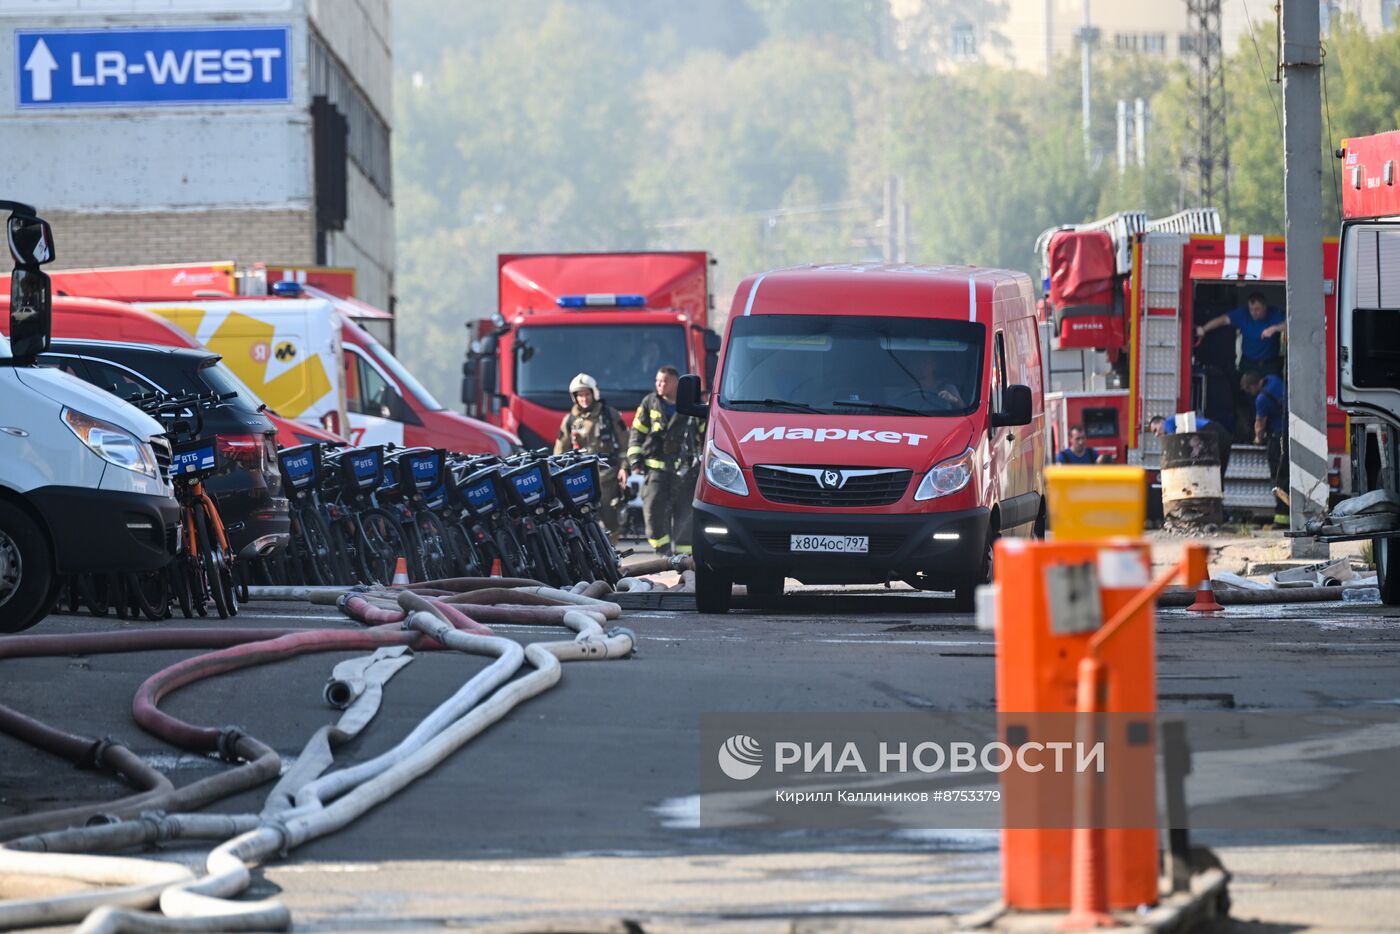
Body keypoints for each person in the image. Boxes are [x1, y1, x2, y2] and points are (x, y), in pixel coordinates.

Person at [627, 365, 705, 557]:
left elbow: (706, 433)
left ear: (675, 383)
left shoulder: (692, 403)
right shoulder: (650, 402)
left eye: (664, 381)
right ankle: (663, 553)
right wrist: (635, 460)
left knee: (685, 515)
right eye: (657, 381)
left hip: (686, 472)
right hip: (656, 471)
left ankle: (685, 557)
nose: (659, 385)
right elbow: (637, 432)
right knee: (653, 512)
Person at [554, 373, 629, 542]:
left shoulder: (610, 415)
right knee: (580, 516)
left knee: (609, 515)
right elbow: (559, 450)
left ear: (594, 393)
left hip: (606, 475)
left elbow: (626, 444)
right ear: (575, 397)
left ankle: (611, 549)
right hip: (579, 476)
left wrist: (625, 467)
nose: (584, 398)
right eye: (580, 395)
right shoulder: (570, 420)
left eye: (587, 394)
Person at [1195, 292, 1287, 376]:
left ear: (1265, 307)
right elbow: (1222, 320)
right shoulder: (1243, 314)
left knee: (1272, 392)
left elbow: (1290, 325)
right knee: (1246, 391)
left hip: (1270, 365)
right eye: (1251, 309)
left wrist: (1275, 328)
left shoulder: (1275, 313)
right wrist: (1204, 329)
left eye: (1257, 309)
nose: (1253, 313)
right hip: (1248, 363)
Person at [1241, 368, 1289, 526]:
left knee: (1278, 477)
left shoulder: (1261, 399)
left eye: (1249, 390)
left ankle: (1282, 517)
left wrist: (1257, 439)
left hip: (1277, 439)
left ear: (1255, 385)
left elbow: (1260, 424)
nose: (1250, 393)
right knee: (1287, 475)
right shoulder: (1273, 379)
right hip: (1290, 435)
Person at [1148, 413, 1233, 484]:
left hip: (1212, 431)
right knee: (1218, 472)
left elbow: (1174, 439)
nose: (1156, 435)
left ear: (1161, 422)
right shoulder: (1175, 422)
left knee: (1209, 467)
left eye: (1155, 430)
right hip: (1224, 434)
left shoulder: (1168, 421)